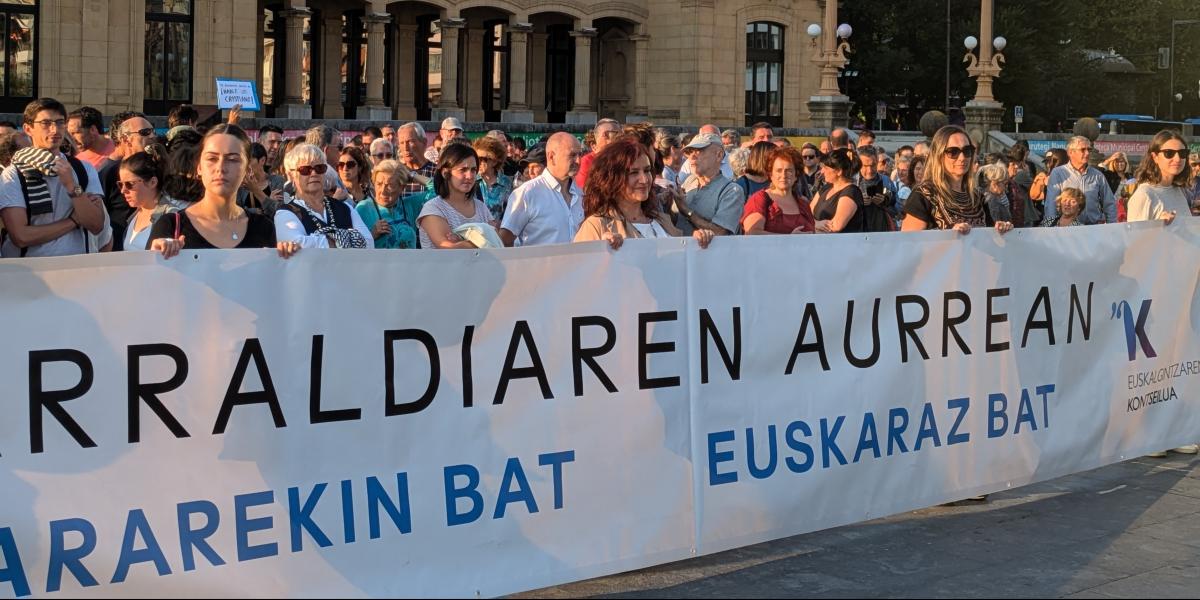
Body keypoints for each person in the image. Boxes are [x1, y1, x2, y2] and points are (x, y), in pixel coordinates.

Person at [148, 124, 295, 258]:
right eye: (212, 158)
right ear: (199, 167)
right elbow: (148, 284)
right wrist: (154, 260)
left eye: (232, 159)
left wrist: (290, 259)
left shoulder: (263, 227)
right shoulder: (170, 226)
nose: (221, 168)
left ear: (246, 169)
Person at [0, 98, 109, 257]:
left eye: (60, 122)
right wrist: (72, 222)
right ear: (28, 128)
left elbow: (96, 225)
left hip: (77, 269)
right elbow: (21, 236)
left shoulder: (83, 169)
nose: (55, 130)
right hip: (30, 273)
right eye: (45, 123)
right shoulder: (13, 174)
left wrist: (72, 187)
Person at [575, 138, 714, 249]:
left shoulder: (661, 218)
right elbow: (578, 275)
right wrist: (599, 252)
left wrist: (696, 241)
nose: (644, 179)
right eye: (634, 172)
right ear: (611, 178)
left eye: (647, 170)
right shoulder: (597, 225)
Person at [900, 125, 1013, 235]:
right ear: (939, 155)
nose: (962, 157)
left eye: (967, 150)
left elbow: (987, 242)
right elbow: (909, 244)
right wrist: (948, 236)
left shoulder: (977, 197)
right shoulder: (923, 195)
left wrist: (1000, 231)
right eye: (953, 152)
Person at [274, 143, 372, 249]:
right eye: (305, 170)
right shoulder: (285, 212)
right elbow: (296, 243)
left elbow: (368, 243)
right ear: (292, 174)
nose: (314, 173)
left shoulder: (344, 207)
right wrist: (345, 240)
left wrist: (321, 242)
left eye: (319, 168)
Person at [500, 132, 583, 247]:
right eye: (572, 155)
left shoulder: (581, 194)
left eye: (580, 155)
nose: (578, 161)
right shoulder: (527, 194)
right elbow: (504, 241)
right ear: (551, 157)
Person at [418, 142, 495, 249]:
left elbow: (497, 240)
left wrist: (462, 241)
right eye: (463, 170)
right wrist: (482, 241)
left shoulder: (481, 207)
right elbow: (449, 248)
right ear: (445, 173)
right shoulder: (433, 209)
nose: (470, 176)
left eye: (473, 170)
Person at [116, 144, 188, 250]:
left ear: (152, 182)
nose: (123, 190)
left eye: (129, 184)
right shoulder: (134, 215)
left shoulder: (172, 215)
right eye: (120, 184)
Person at [673, 133, 745, 236]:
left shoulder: (732, 191)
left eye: (699, 151)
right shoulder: (689, 181)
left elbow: (720, 232)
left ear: (719, 155)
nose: (692, 156)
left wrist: (687, 211)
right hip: (681, 249)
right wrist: (667, 205)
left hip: (709, 251)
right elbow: (675, 221)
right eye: (690, 152)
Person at [1042, 136, 1117, 225]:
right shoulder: (1058, 173)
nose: (1087, 153)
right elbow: (1051, 205)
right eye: (1082, 150)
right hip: (1068, 230)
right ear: (1070, 152)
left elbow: (1109, 203)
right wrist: (1052, 230)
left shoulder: (1097, 175)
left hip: (1093, 228)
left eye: (1089, 150)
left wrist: (1111, 228)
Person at [740, 146, 815, 235]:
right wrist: (789, 239)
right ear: (771, 174)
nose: (783, 175)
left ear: (796, 175)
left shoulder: (803, 204)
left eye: (789, 170)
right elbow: (752, 233)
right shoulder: (759, 199)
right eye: (779, 170)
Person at [1126, 131, 1191, 225]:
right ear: (1155, 157)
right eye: (1169, 153)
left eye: (1182, 153)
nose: (1177, 159)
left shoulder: (1180, 190)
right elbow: (1134, 237)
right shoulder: (1145, 195)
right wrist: (1157, 225)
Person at [357, 159, 418, 249]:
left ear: (402, 187)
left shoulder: (410, 205)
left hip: (409, 262)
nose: (383, 191)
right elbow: (353, 248)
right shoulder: (363, 208)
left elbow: (436, 191)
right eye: (379, 184)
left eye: (390, 185)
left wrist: (411, 175)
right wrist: (372, 234)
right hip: (379, 263)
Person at [810, 149, 863, 234]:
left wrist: (812, 226)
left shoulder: (851, 191)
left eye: (826, 168)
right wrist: (816, 224)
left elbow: (836, 226)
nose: (822, 171)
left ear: (839, 171)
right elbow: (807, 215)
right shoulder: (825, 188)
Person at [854, 145, 899, 231]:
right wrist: (858, 202)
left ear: (877, 161)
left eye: (873, 165)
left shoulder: (886, 181)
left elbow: (898, 212)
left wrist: (885, 202)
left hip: (882, 233)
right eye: (865, 166)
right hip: (858, 235)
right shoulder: (851, 182)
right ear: (858, 164)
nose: (870, 170)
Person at [473, 135, 514, 223]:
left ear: (494, 161)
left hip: (499, 233)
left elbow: (511, 213)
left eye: (481, 159)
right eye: (476, 159)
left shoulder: (507, 183)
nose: (477, 163)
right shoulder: (470, 180)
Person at [241, 142, 284, 217]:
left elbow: (279, 212)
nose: (245, 164)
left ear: (262, 160)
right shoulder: (241, 184)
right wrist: (268, 201)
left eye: (249, 160)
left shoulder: (277, 181)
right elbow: (234, 212)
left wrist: (256, 190)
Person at [574, 118, 621, 188]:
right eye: (613, 133)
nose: (618, 138)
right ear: (594, 146)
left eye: (620, 133)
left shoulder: (626, 159)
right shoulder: (587, 161)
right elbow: (583, 191)